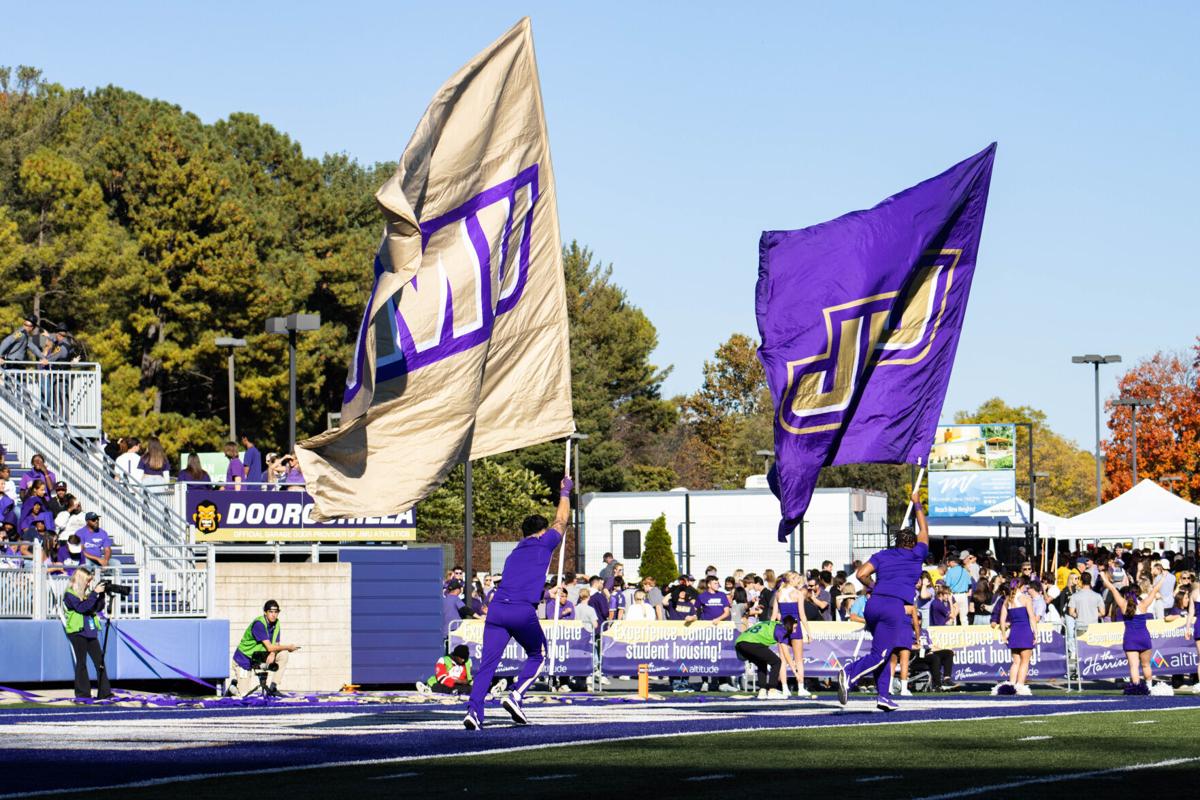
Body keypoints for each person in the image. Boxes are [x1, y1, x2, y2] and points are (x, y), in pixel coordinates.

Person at [464, 477, 571, 730]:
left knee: (487, 665)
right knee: (539, 654)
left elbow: (518, 583)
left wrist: (545, 594)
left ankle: (473, 712)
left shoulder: (515, 552)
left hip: (498, 609)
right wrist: (565, 492)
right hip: (521, 611)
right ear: (542, 532)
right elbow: (561, 521)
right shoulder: (544, 542)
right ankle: (515, 695)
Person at [838, 488, 928, 712]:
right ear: (912, 543)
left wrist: (874, 586)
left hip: (874, 603)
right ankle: (849, 673)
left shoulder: (883, 555)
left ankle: (884, 696)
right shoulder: (918, 554)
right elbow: (924, 528)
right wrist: (916, 503)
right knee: (880, 655)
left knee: (884, 654)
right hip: (893, 607)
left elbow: (860, 575)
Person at [1099, 567, 1168, 695]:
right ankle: (1149, 688)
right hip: (1144, 637)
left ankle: (1136, 690)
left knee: (1133, 666)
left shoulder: (1123, 604)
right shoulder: (1143, 604)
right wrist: (1163, 577)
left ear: (1127, 594)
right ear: (1139, 593)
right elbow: (1155, 590)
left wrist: (1103, 576)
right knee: (1146, 665)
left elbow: (1112, 588)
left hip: (1130, 638)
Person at [225, 600, 299, 698]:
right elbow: (269, 647)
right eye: (271, 612)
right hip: (244, 659)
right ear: (265, 612)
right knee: (243, 696)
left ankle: (273, 688)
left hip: (259, 657)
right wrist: (289, 647)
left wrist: (273, 654)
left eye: (276, 612)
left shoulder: (276, 623)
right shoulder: (259, 624)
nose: (274, 615)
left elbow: (276, 644)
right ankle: (232, 687)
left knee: (283, 654)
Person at [62, 564, 113, 701]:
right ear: (80, 579)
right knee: (82, 662)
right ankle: (83, 694)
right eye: (87, 580)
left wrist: (100, 596)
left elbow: (95, 607)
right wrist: (94, 594)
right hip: (77, 632)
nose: (89, 583)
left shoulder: (85, 595)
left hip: (89, 631)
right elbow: (82, 608)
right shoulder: (69, 594)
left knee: (99, 662)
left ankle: (105, 693)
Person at [735, 616, 800, 699]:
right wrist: (796, 673)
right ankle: (772, 690)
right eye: (794, 628)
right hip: (751, 642)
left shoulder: (775, 624)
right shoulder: (782, 632)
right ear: (789, 625)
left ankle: (762, 691)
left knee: (761, 663)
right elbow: (787, 655)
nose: (794, 631)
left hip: (740, 642)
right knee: (776, 662)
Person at [998, 579, 1038, 695]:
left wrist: (1004, 635)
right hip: (1025, 632)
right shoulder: (1026, 599)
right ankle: (1020, 686)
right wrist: (1036, 633)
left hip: (1014, 633)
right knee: (1025, 661)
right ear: (1020, 586)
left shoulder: (1007, 600)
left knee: (1016, 662)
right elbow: (1032, 617)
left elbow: (1002, 619)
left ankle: (1011, 684)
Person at [943, 554, 972, 626]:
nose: (948, 564)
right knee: (964, 618)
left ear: (952, 562)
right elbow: (969, 584)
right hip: (963, 595)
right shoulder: (964, 571)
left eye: (948, 562)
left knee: (953, 617)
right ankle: (966, 634)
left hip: (953, 595)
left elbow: (947, 586)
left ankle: (953, 635)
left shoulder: (949, 572)